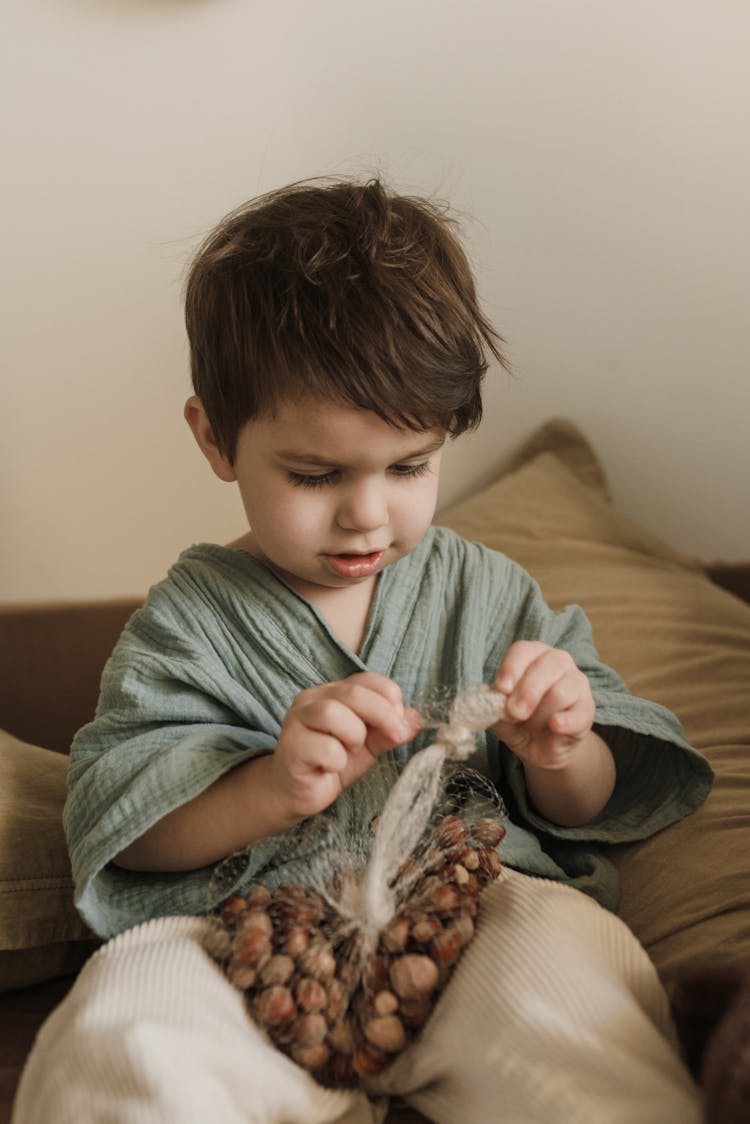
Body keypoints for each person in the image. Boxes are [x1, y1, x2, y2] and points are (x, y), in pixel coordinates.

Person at [13, 178, 713, 1124]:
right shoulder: (190, 621)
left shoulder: (486, 593)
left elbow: (587, 805)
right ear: (216, 440)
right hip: (241, 932)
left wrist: (563, 746)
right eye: (315, 474)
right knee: (126, 1035)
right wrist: (267, 788)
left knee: (576, 999)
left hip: (475, 913)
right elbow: (125, 822)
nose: (367, 513)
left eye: (410, 467)